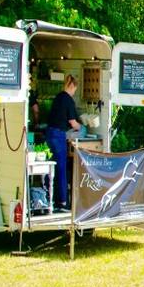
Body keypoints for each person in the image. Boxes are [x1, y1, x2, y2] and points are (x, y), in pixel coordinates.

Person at [47, 73, 82, 210]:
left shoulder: (58, 97)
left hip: (49, 133)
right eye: (75, 90)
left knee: (51, 167)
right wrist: (81, 127)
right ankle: (62, 201)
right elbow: (73, 123)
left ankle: (50, 199)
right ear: (72, 86)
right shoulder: (68, 100)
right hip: (58, 135)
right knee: (61, 168)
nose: (74, 93)